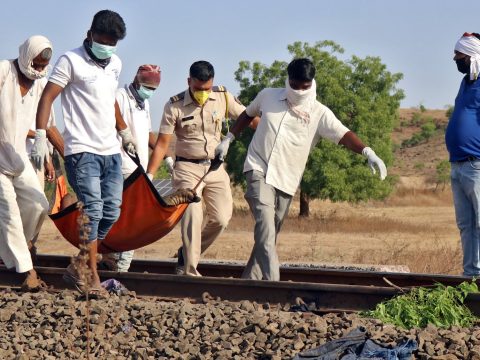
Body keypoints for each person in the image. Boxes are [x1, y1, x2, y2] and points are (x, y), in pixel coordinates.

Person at [215, 58, 387, 281]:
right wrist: (229, 138)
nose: (299, 90)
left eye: (304, 86)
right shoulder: (268, 95)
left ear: (311, 83)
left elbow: (343, 134)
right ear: (288, 79)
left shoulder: (319, 112)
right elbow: (247, 114)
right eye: (295, 85)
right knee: (266, 226)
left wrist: (367, 152)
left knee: (269, 234)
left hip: (287, 179)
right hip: (258, 168)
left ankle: (250, 282)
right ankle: (274, 286)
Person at [34, 10, 136, 296]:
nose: (107, 47)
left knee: (111, 211)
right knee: (92, 210)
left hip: (111, 151)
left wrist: (124, 131)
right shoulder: (71, 60)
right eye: (103, 40)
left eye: (113, 43)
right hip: (81, 151)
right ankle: (90, 278)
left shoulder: (115, 63)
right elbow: (48, 97)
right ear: (90, 34)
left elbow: (110, 98)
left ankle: (78, 263)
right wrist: (41, 135)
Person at [147, 60, 256, 276]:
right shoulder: (174, 105)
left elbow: (248, 118)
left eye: (207, 88)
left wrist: (274, 128)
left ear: (213, 83)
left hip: (215, 168)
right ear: (189, 81)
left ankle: (186, 254)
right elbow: (161, 144)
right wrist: (150, 175)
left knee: (221, 219)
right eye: (198, 88)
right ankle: (189, 271)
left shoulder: (223, 96)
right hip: (187, 168)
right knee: (193, 216)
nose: (203, 93)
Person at [0, 35, 56, 290]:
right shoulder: (4, 71)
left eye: (44, 66)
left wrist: (57, 156)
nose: (39, 69)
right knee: (9, 214)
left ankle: (16, 247)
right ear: (25, 55)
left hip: (19, 156)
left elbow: (47, 125)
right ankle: (27, 271)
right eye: (36, 63)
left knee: (38, 204)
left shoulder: (41, 84)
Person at [106, 64, 161, 272]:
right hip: (121, 166)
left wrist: (164, 155)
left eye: (153, 89)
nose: (149, 92)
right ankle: (112, 260)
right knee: (118, 215)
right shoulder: (120, 96)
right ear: (137, 80)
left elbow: (148, 134)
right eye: (147, 86)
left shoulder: (144, 103)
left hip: (139, 169)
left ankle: (123, 267)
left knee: (134, 218)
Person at [445, 32, 480, 277]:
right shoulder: (465, 82)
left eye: (460, 54)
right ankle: (471, 275)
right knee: (466, 225)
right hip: (458, 165)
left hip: (476, 164)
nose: (455, 58)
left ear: (473, 56)